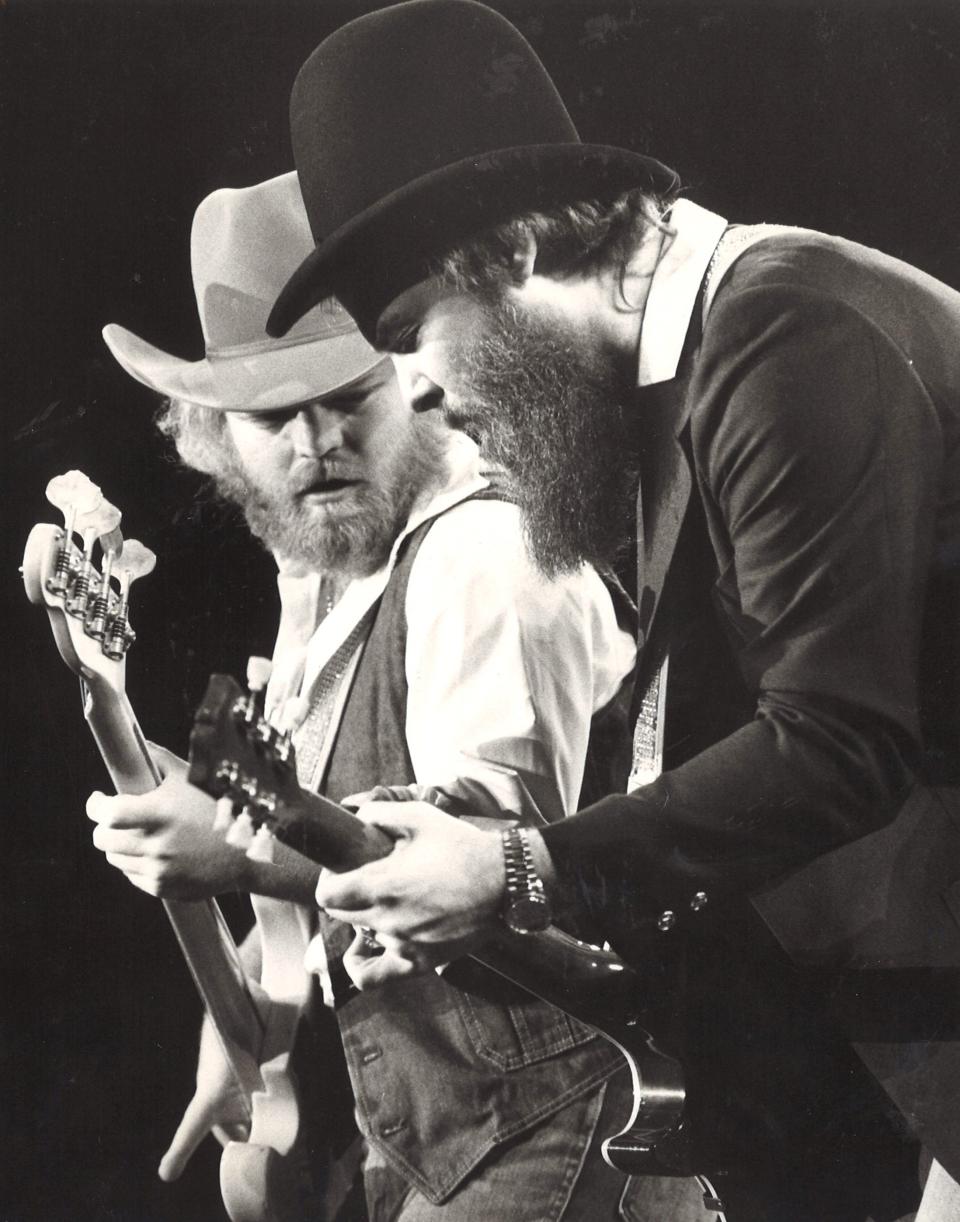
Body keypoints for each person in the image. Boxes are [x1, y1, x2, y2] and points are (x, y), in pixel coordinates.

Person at [263, 3, 960, 1220]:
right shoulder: (681, 380)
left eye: (411, 334)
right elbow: (727, 760)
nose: (415, 390)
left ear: (516, 250)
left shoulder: (787, 335)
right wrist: (448, 835)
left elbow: (841, 742)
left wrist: (522, 866)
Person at [85, 171, 710, 1221]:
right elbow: (310, 851)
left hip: (556, 1127)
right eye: (273, 413)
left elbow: (500, 868)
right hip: (443, 1138)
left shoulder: (485, 554)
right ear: (212, 435)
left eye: (347, 397)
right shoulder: (327, 569)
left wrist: (232, 850)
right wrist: (239, 1037)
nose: (315, 442)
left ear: (415, 380)